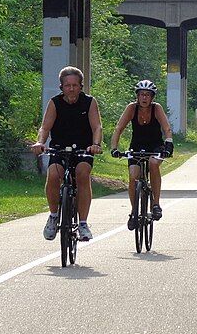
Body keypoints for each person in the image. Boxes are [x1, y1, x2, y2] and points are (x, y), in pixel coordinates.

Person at [31, 66, 103, 241]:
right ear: (61, 87)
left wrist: (95, 144)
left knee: (82, 174)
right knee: (54, 175)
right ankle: (54, 216)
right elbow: (45, 127)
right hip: (59, 147)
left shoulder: (89, 102)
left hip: (83, 149)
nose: (71, 89)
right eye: (67, 85)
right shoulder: (55, 103)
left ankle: (83, 223)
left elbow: (97, 126)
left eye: (75, 85)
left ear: (81, 86)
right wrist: (40, 142)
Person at [110, 80, 173, 230]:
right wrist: (114, 148)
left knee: (153, 163)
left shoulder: (156, 109)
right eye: (142, 95)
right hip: (137, 146)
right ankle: (133, 211)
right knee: (133, 175)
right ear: (137, 96)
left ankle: (156, 204)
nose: (144, 98)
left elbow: (167, 129)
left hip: (155, 146)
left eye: (148, 95)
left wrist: (169, 145)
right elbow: (118, 129)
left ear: (152, 97)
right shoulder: (132, 108)